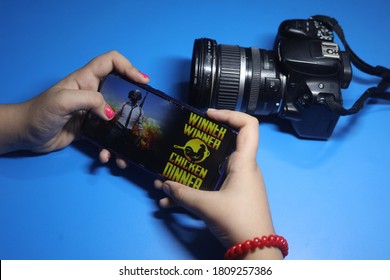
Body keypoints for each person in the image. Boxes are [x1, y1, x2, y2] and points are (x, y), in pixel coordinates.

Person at [0, 51, 286, 260]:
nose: (136, 99)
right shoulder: (128, 105)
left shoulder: (136, 109)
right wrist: (21, 126)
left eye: (137, 98)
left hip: (124, 135)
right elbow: (118, 114)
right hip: (114, 133)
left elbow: (136, 124)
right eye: (135, 98)